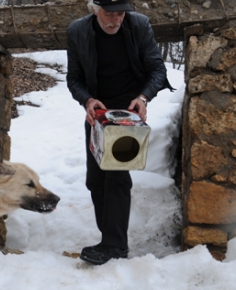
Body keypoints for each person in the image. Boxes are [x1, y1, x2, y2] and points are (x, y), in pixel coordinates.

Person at [66, 0, 173, 265]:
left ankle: (114, 246)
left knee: (116, 176)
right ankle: (109, 239)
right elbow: (74, 78)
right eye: (109, 13)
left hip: (129, 108)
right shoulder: (78, 31)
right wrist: (87, 100)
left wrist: (143, 97)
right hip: (98, 111)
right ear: (94, 9)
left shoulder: (139, 25)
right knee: (95, 179)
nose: (115, 19)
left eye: (121, 13)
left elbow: (157, 69)